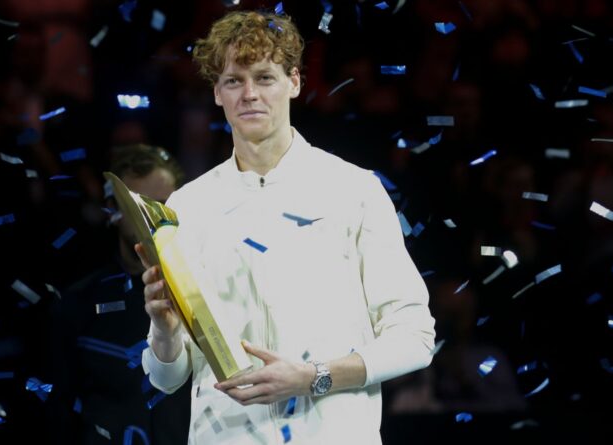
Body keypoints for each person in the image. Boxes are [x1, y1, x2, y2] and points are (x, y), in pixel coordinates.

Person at [137, 10, 436, 445]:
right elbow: (167, 378)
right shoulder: (188, 206)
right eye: (234, 81)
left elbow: (415, 337)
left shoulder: (353, 189)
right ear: (217, 93)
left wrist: (314, 377)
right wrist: (163, 328)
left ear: (294, 82)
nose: (250, 94)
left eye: (265, 78)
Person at [44, 144, 188, 444]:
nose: (152, 219)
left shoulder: (206, 295)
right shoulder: (77, 304)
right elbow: (59, 407)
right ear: (112, 208)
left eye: (161, 204)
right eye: (139, 207)